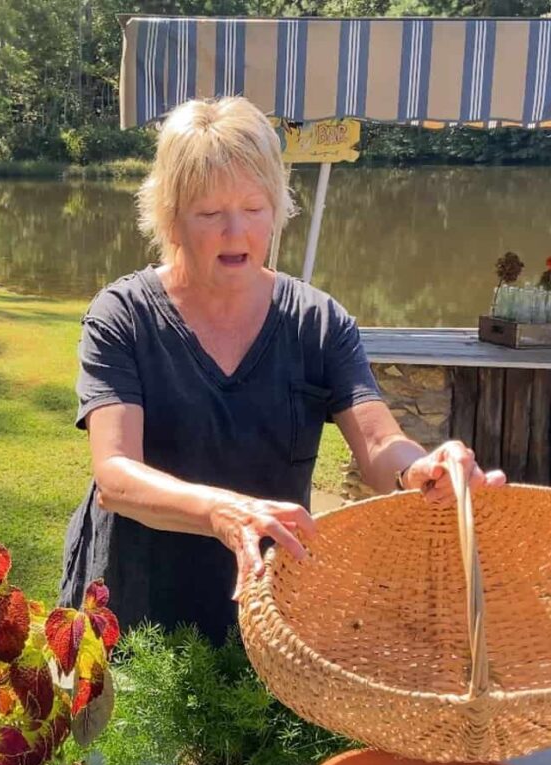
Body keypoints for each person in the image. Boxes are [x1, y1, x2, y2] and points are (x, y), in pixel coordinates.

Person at [59, 96, 505, 645]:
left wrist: (422, 467)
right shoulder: (123, 315)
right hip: (137, 603)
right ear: (170, 217)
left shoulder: (317, 321)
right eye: (208, 213)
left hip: (271, 601)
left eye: (254, 207)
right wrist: (227, 511)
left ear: (277, 208)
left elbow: (379, 445)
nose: (236, 231)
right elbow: (117, 476)